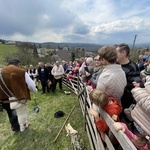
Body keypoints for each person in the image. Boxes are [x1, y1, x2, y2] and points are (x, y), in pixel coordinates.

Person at [0, 58, 37, 132]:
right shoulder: (21, 72)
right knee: (21, 114)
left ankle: (15, 127)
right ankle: (23, 127)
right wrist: (35, 90)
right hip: (18, 97)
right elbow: (31, 85)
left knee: (11, 113)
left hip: (5, 98)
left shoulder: (1, 72)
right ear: (18, 64)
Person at [116, 43, 144, 117]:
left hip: (125, 99)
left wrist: (139, 84)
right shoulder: (116, 64)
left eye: (116, 53)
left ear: (123, 53)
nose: (115, 55)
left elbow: (137, 83)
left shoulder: (132, 67)